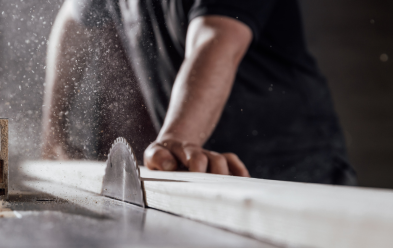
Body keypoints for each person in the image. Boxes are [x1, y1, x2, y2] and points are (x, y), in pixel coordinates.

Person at [42, 0, 357, 185]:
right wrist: (54, 135)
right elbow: (73, 23)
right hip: (201, 167)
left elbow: (216, 39)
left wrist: (177, 140)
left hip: (292, 165)